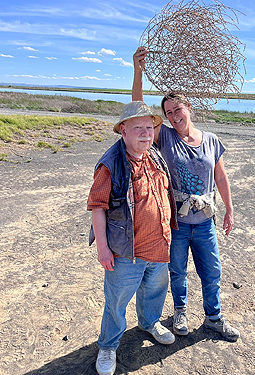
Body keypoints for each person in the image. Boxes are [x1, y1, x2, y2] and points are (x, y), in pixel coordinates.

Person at [132, 46, 240, 342]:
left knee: (212, 272)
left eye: (177, 109)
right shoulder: (164, 137)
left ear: (188, 107)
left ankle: (214, 318)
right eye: (168, 113)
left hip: (205, 222)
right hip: (177, 223)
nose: (173, 116)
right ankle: (180, 312)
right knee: (177, 272)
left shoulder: (211, 140)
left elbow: (219, 175)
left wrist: (229, 209)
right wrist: (138, 71)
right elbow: (139, 111)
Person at [87, 101, 178, 375]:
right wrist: (103, 249)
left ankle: (149, 323)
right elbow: (97, 207)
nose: (145, 133)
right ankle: (108, 345)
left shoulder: (155, 156)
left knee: (155, 291)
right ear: (123, 131)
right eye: (138, 128)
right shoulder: (111, 164)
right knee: (116, 303)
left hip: (159, 247)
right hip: (126, 253)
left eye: (149, 128)